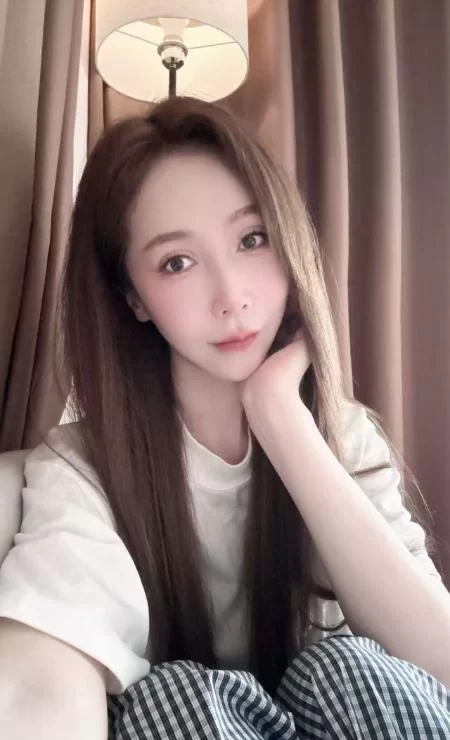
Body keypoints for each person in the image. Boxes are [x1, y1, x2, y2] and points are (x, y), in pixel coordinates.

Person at [0, 96, 449, 740]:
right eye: (176, 262)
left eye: (251, 238)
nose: (231, 296)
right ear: (133, 298)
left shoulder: (343, 436)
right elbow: (43, 672)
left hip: (342, 714)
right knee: (172, 699)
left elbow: (437, 664)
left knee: (352, 669)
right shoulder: (86, 467)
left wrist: (281, 418)